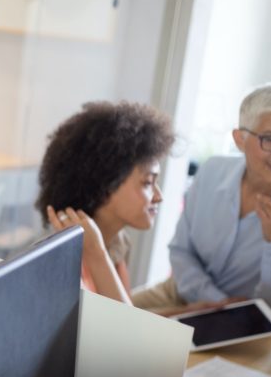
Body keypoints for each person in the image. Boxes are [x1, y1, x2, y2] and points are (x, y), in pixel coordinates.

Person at [132, 82, 271, 317]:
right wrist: (217, 302)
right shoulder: (212, 171)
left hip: (246, 320)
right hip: (179, 293)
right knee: (98, 319)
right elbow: (180, 251)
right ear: (240, 139)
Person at [35, 101, 178, 306]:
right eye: (148, 182)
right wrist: (96, 255)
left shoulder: (119, 242)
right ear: (106, 185)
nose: (159, 196)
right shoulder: (61, 266)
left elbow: (121, 321)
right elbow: (123, 334)